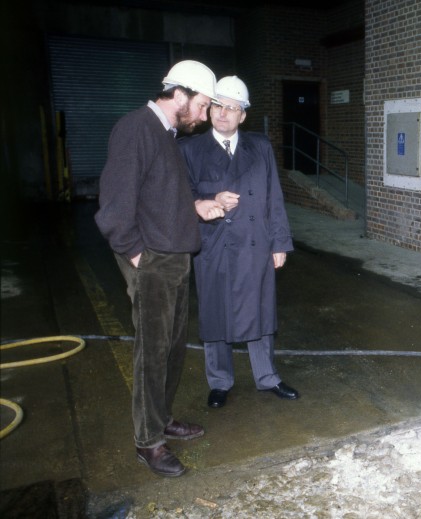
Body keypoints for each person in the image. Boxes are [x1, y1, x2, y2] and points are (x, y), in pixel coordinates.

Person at [95, 60, 225, 477]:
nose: (205, 117)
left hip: (174, 258)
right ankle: (148, 441)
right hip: (153, 260)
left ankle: (162, 417)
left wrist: (195, 208)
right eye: (203, 106)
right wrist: (139, 258)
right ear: (180, 95)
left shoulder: (167, 136)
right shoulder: (136, 129)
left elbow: (158, 198)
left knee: (171, 349)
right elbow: (115, 209)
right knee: (151, 354)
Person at [179, 75, 298, 410]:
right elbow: (181, 195)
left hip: (255, 243)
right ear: (210, 109)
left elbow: (274, 196)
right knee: (215, 314)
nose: (223, 114)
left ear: (243, 115)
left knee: (260, 311)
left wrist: (279, 243)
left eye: (232, 108)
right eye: (217, 105)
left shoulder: (260, 147)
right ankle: (219, 382)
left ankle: (267, 377)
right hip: (214, 244)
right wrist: (208, 198)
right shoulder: (190, 149)